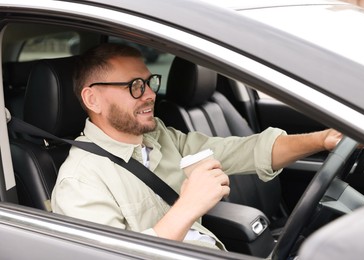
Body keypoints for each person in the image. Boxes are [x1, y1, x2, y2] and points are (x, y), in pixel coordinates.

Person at [51, 43, 342, 250]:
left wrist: (322, 140)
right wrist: (189, 205)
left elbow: (246, 151)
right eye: (135, 86)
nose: (151, 94)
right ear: (92, 100)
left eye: (149, 82)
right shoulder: (80, 180)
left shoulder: (160, 137)